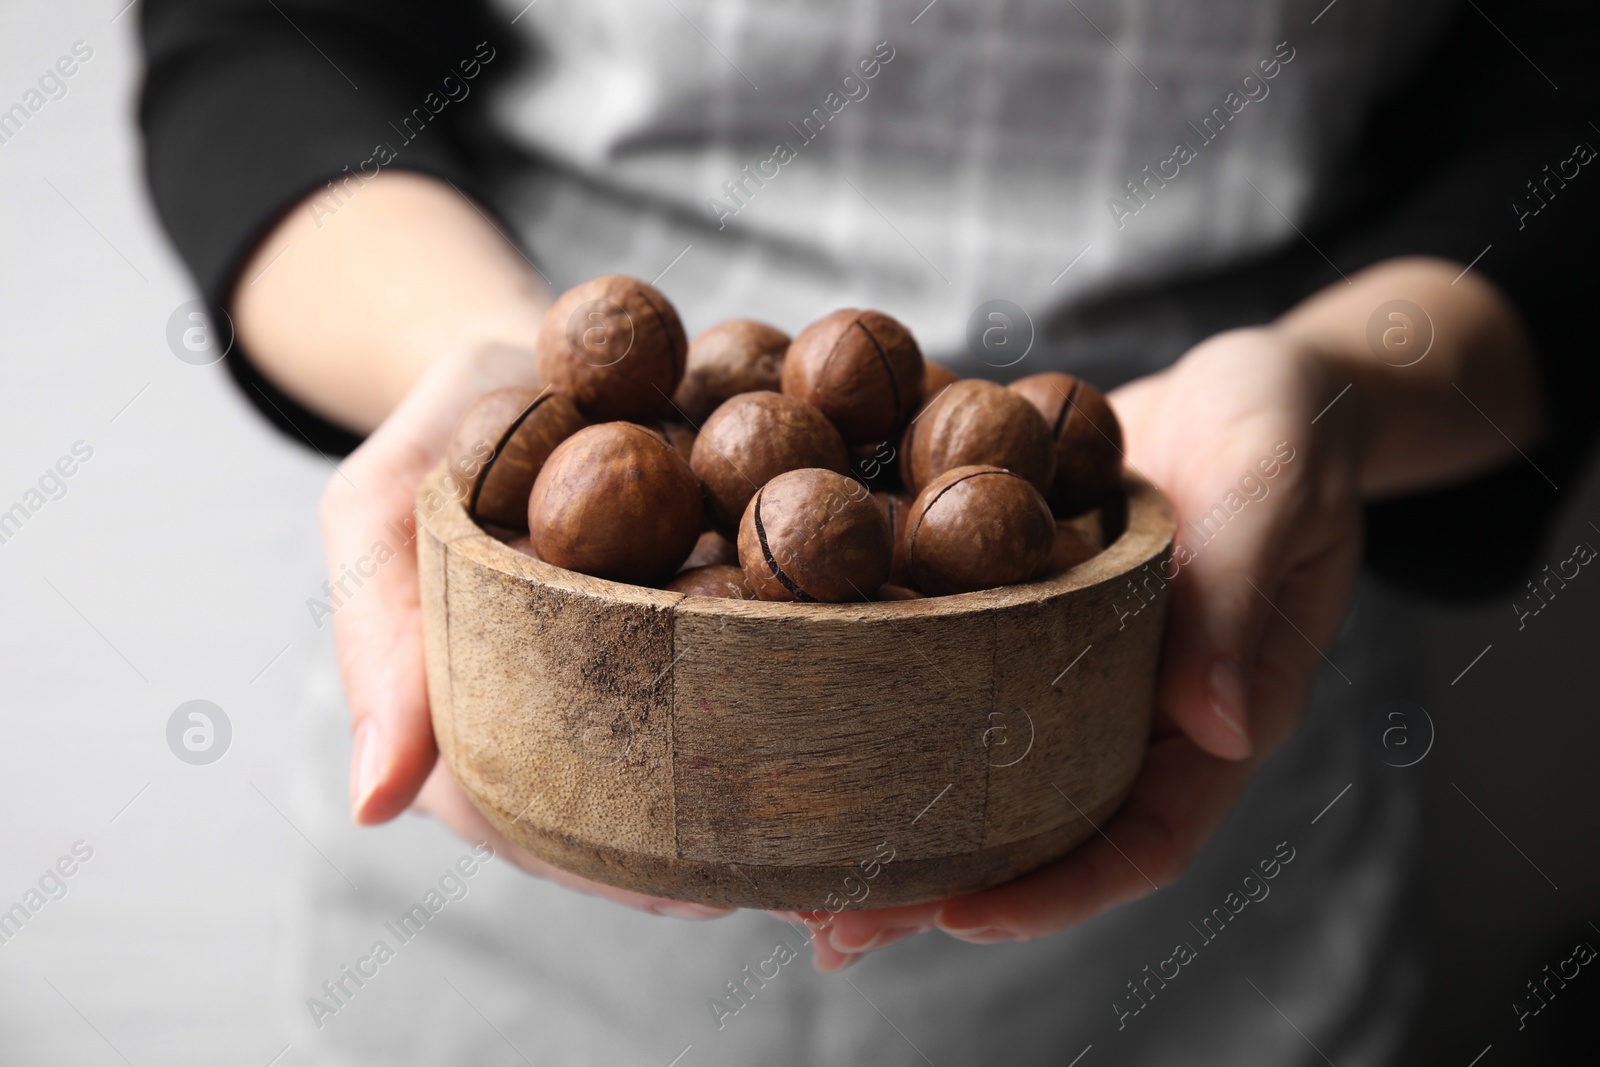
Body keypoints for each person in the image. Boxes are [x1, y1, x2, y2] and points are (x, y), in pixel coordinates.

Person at [139, 0, 1596, 1061]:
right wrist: (469, 356)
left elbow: (1560, 110)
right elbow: (261, 32)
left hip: (1181, 645)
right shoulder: (605, 440)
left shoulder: (1018, 485)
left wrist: (1337, 391)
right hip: (538, 869)